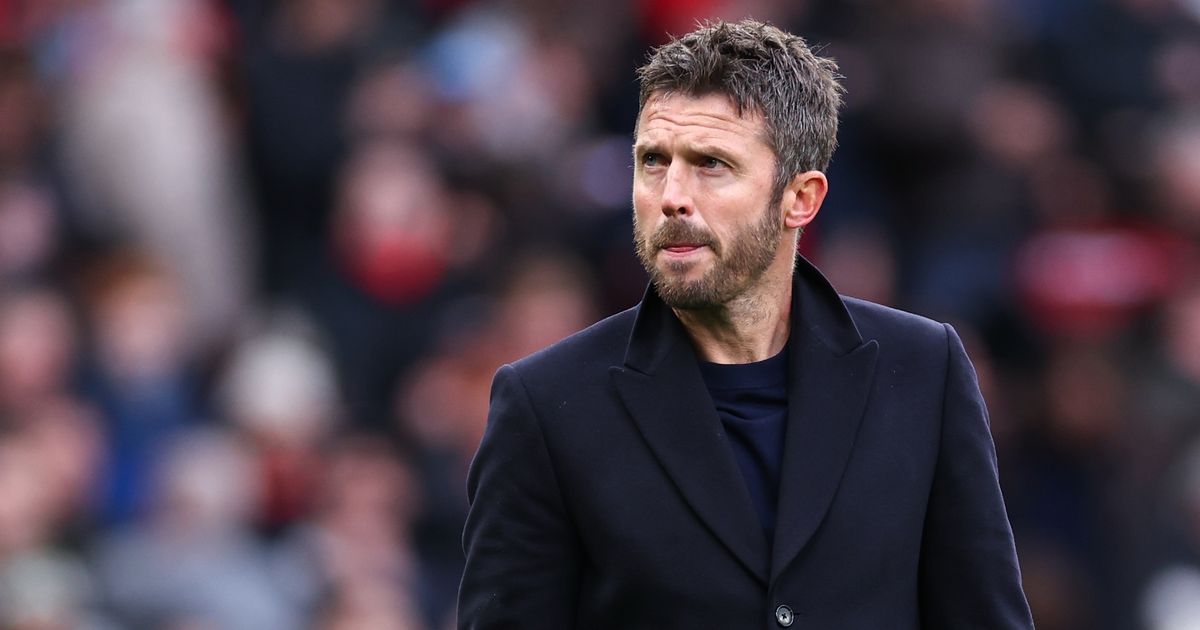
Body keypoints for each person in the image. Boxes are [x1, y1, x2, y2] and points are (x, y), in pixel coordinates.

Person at [458, 19, 1034, 629]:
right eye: (653, 161)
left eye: (711, 164)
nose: (671, 195)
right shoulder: (547, 404)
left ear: (801, 199)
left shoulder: (923, 370)